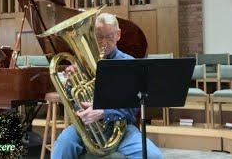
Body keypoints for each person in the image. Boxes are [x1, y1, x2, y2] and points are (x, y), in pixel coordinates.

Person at [51, 13, 163, 159]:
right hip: (88, 127)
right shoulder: (82, 63)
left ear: (118, 35)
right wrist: (69, 81)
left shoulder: (129, 64)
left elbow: (131, 109)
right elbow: (73, 99)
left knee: (154, 156)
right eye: (99, 37)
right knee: (62, 146)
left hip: (121, 128)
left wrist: (104, 112)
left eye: (109, 37)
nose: (104, 42)